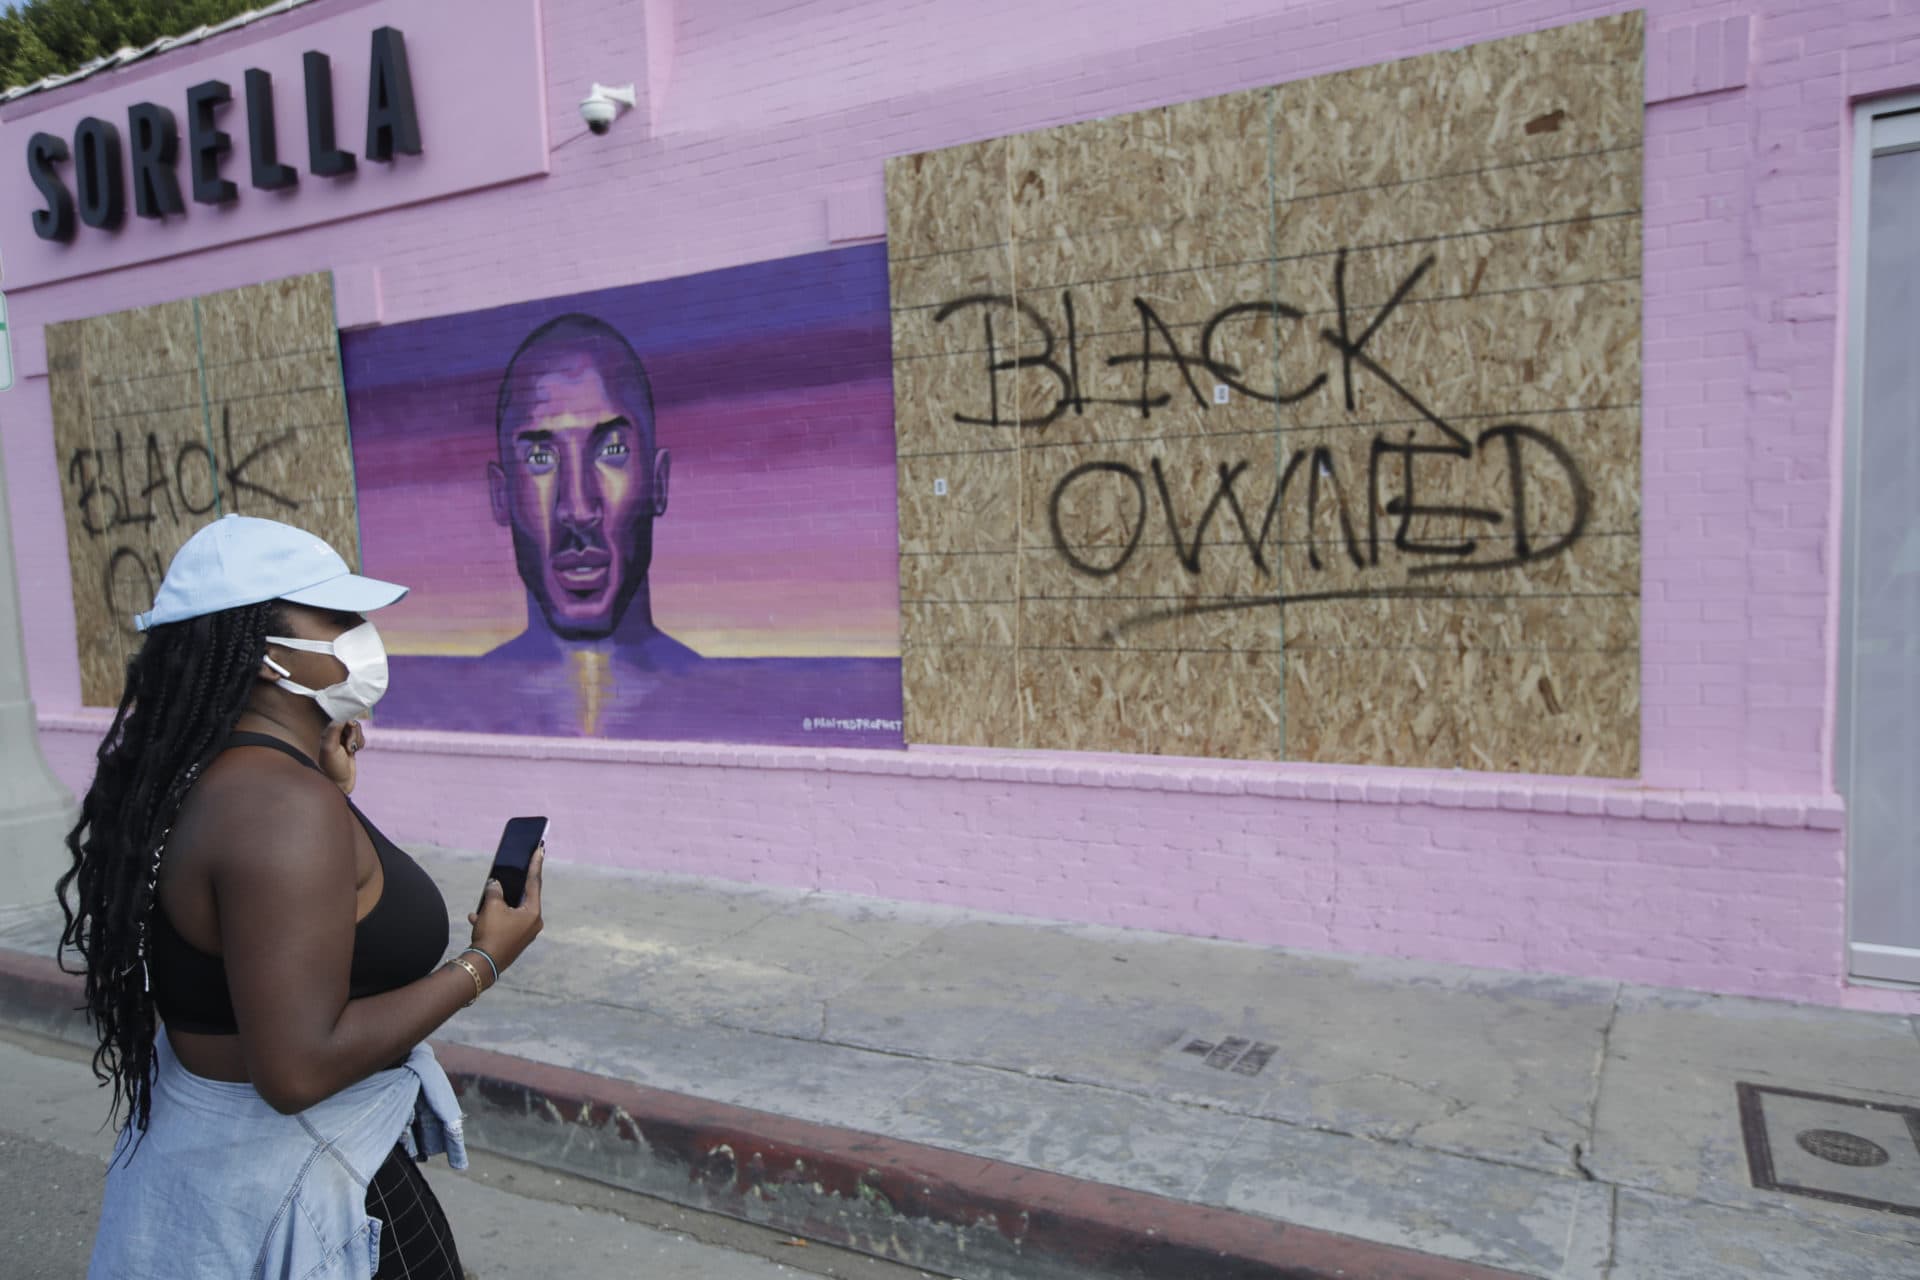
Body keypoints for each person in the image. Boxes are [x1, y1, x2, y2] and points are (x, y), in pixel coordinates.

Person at [57, 513, 547, 1280]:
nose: (362, 636)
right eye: (340, 619)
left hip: (227, 1176)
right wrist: (484, 961)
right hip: (309, 1191)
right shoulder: (280, 806)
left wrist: (324, 780)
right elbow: (296, 1070)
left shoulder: (222, 778)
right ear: (261, 654)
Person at [377, 313, 904, 745]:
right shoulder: (461, 703)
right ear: (500, 495)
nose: (577, 507)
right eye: (541, 457)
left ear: (658, 482)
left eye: (611, 450)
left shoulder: (731, 701)